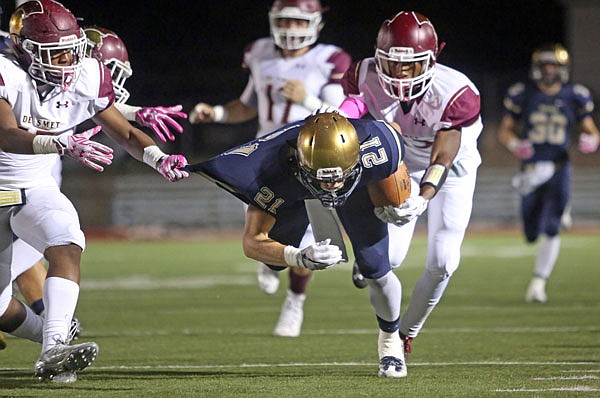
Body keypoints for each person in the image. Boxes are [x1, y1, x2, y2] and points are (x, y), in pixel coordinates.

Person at [0, 0, 189, 383]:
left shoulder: (87, 73)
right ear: (25, 49)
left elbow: (125, 133)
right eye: (56, 53)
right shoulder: (7, 72)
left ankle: (55, 347)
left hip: (35, 186)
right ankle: (47, 340)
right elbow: (5, 133)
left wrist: (157, 158)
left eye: (72, 50)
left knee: (67, 241)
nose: (67, 61)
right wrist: (60, 143)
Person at [187, 112, 411, 378]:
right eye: (322, 178)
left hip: (356, 188)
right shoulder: (272, 171)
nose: (330, 186)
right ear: (300, 161)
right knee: (273, 260)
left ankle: (389, 344)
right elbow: (251, 241)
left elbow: (393, 135)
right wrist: (299, 257)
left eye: (337, 177)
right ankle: (276, 267)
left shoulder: (380, 145)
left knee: (376, 267)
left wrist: (394, 200)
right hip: (296, 191)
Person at [188, 0, 351, 338]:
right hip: (266, 155)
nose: (291, 29)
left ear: (315, 23)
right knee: (261, 223)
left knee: (307, 234)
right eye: (286, 22)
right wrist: (215, 113)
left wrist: (307, 100)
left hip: (311, 156)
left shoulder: (330, 59)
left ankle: (295, 301)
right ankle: (269, 261)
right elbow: (247, 105)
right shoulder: (260, 52)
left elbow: (340, 115)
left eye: (297, 22)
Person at [338, 11, 482, 355]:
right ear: (378, 56)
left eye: (412, 65)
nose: (401, 73)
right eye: (393, 63)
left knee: (444, 261)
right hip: (400, 165)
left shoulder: (457, 92)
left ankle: (405, 333)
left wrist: (425, 196)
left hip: (450, 171)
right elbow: (353, 113)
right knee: (392, 258)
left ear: (432, 60)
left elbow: (444, 155)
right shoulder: (363, 73)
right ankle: (368, 260)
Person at [496, 43, 600, 303]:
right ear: (537, 69)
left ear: (563, 69)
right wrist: (514, 144)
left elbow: (591, 129)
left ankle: (538, 282)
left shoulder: (574, 95)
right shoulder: (523, 94)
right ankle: (559, 211)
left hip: (558, 167)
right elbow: (505, 130)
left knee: (552, 227)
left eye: (554, 66)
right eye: (545, 66)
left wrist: (592, 140)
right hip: (531, 169)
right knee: (531, 233)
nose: (550, 71)